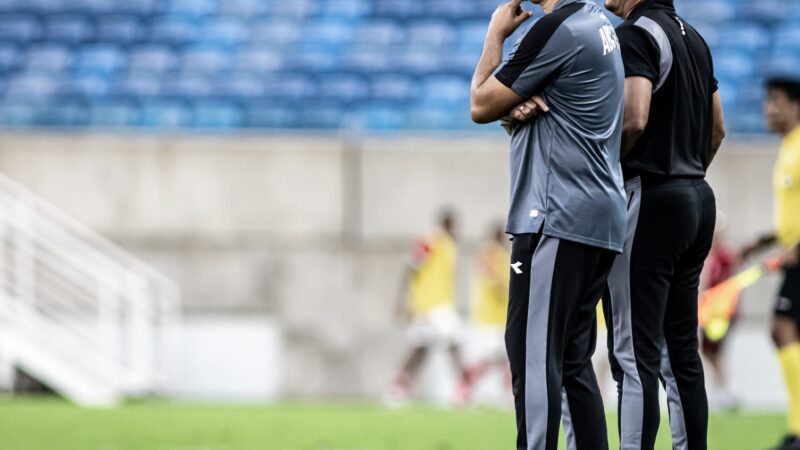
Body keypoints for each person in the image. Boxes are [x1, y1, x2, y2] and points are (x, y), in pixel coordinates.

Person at [510, 0, 724, 447]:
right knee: (681, 352)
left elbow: (635, 117)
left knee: (632, 355)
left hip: (650, 197)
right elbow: (717, 127)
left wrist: (604, 172)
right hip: (698, 196)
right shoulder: (695, 38)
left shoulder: (636, 35)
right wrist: (687, 171)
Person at [470, 0, 627, 448]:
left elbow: (480, 102)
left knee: (531, 354)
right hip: (598, 215)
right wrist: (512, 111)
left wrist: (494, 36)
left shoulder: (554, 29)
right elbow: (547, 112)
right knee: (573, 361)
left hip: (556, 215)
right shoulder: (597, 22)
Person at [740, 75, 800, 450]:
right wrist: (766, 240)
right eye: (766, 101)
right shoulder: (787, 148)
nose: (768, 108)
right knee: (783, 331)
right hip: (792, 253)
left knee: (781, 328)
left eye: (775, 100)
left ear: (796, 106)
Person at [387, 209, 471, 406]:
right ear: (449, 224)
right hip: (433, 305)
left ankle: (398, 387)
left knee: (420, 348)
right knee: (455, 341)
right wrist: (401, 301)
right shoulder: (434, 239)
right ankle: (463, 391)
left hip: (434, 305)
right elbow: (410, 265)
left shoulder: (448, 245)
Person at [464, 223, 512, 405]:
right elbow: (492, 277)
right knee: (494, 357)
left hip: (498, 315)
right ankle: (467, 386)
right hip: (491, 316)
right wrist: (508, 290)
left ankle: (506, 392)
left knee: (503, 357)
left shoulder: (497, 253)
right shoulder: (491, 251)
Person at [699, 213, 740, 411]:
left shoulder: (724, 257)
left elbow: (727, 285)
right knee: (710, 352)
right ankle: (721, 392)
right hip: (710, 312)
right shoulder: (711, 256)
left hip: (721, 313)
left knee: (713, 351)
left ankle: (725, 392)